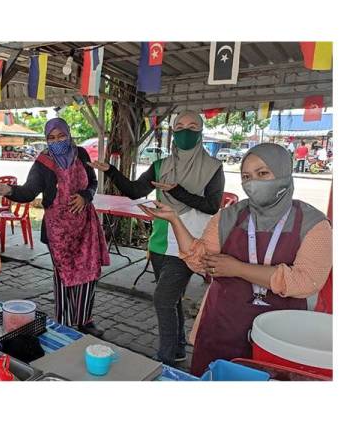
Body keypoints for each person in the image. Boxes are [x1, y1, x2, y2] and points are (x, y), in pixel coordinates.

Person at [138, 143, 332, 376]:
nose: (253, 183)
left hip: (278, 337)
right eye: (246, 177)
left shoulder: (314, 223)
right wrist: (174, 220)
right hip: (221, 326)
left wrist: (238, 268)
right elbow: (199, 260)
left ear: (282, 172)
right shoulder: (229, 216)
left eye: (263, 173)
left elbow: (306, 282)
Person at [90, 110, 225, 366]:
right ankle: (177, 349)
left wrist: (178, 192)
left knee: (162, 298)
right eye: (180, 126)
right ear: (173, 131)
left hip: (188, 244)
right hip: (161, 240)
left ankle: (164, 359)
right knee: (171, 300)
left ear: (201, 131)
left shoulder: (212, 168)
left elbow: (211, 206)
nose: (186, 131)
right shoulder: (161, 165)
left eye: (192, 126)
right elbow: (134, 191)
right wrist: (111, 171)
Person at [0, 118, 110, 336]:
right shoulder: (43, 162)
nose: (57, 141)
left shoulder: (81, 154)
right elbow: (29, 191)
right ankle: (64, 322)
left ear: (69, 134)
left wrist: (85, 196)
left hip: (85, 226)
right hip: (58, 231)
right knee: (64, 275)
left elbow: (92, 182)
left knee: (89, 271)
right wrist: (9, 191)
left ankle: (85, 320)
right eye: (51, 138)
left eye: (61, 136)